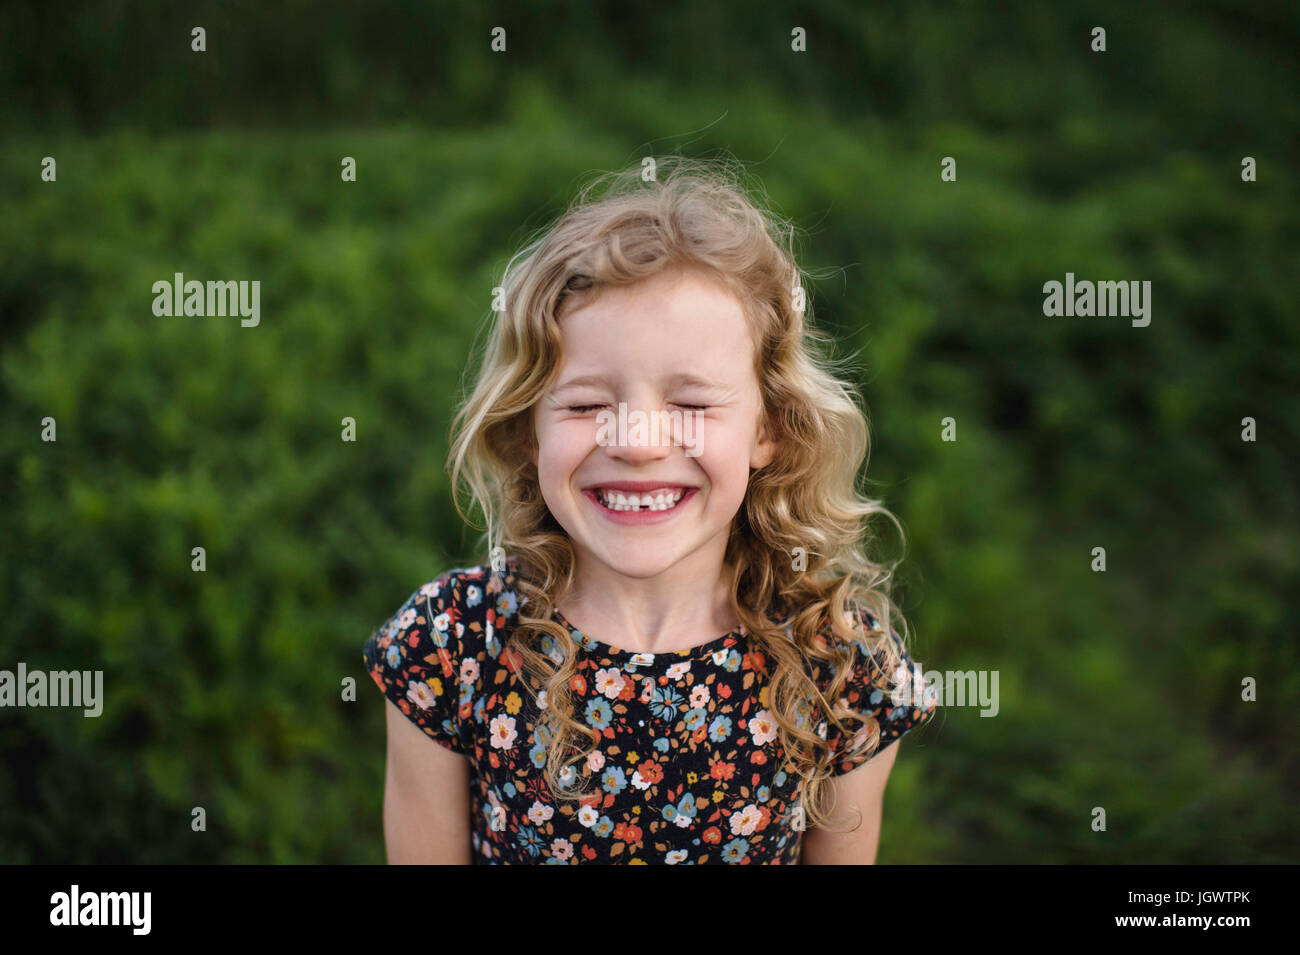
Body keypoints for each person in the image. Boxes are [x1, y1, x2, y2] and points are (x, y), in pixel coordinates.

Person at [363, 156, 938, 864]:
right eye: (585, 404)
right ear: (524, 428)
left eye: (692, 404)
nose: (636, 443)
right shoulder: (453, 647)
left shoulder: (838, 662)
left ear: (769, 428)